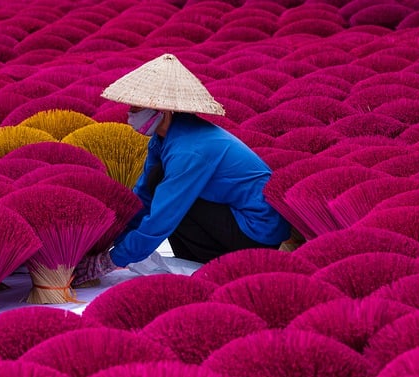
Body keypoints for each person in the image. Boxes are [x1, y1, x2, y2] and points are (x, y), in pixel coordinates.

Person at [74, 53, 291, 285]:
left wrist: (111, 261)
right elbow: (142, 197)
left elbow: (163, 216)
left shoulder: (189, 150)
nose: (130, 114)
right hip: (231, 217)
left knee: (171, 204)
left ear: (162, 111)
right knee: (158, 182)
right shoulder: (163, 139)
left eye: (137, 108)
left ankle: (224, 263)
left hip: (256, 231)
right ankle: (201, 259)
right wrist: (112, 239)